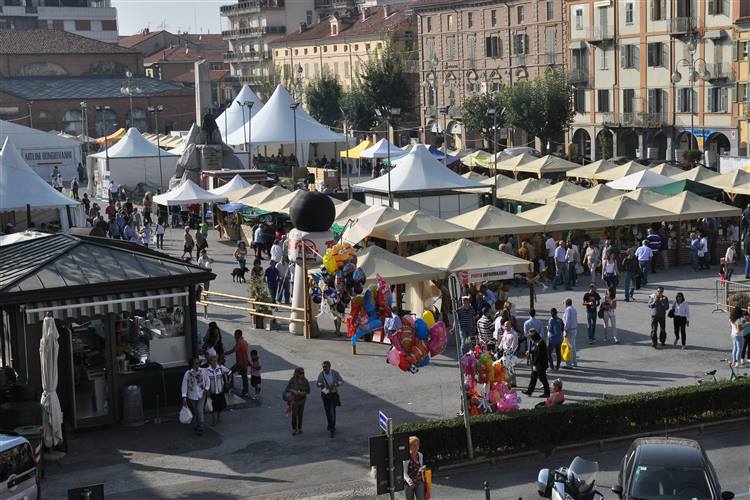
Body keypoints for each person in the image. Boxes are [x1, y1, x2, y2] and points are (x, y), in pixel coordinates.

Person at [181, 356, 209, 435]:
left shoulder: (203, 371)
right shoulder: (188, 374)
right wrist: (184, 397)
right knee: (196, 411)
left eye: (199, 363)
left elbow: (207, 380)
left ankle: (201, 427)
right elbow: (184, 385)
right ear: (192, 365)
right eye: (196, 363)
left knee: (200, 411)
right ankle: (198, 424)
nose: (198, 365)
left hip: (201, 394)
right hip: (192, 395)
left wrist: (206, 389)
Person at [316, 361, 344, 438]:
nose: (324, 368)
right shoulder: (321, 374)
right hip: (325, 395)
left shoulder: (335, 373)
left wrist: (335, 384)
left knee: (332, 412)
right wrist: (322, 384)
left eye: (326, 367)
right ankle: (329, 424)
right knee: (327, 412)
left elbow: (341, 381)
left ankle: (332, 428)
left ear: (329, 366)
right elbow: (317, 383)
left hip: (333, 395)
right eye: (323, 367)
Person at [205, 354, 231, 426]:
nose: (214, 363)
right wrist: (207, 391)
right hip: (212, 392)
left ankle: (219, 417)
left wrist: (227, 381)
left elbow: (229, 373)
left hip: (220, 390)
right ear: (210, 362)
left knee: (220, 406)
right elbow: (206, 381)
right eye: (213, 361)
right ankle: (214, 420)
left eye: (215, 361)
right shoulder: (207, 371)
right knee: (213, 407)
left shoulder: (220, 368)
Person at [525, 330, 550, 398]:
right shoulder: (537, 342)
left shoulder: (540, 343)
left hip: (540, 364)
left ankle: (547, 393)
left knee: (542, 379)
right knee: (533, 378)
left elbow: (539, 355)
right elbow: (535, 351)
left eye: (531, 338)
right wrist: (530, 352)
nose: (531, 339)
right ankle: (529, 391)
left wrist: (534, 365)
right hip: (537, 364)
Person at [285, 367, 310, 435]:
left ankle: (300, 428)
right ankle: (294, 429)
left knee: (300, 414)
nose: (302, 374)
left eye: (303, 373)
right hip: (294, 400)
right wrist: (293, 391)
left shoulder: (305, 381)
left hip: (302, 400)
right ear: (296, 373)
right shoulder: (292, 380)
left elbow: (308, 391)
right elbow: (287, 389)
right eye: (300, 373)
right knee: (294, 414)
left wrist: (302, 393)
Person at [225, 329, 249, 396]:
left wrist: (224, 354)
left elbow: (233, 350)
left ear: (238, 335)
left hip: (240, 363)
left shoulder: (240, 343)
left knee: (229, 372)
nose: (234, 337)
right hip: (245, 362)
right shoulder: (244, 341)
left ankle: (230, 387)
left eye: (235, 335)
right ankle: (245, 391)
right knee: (244, 377)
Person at [562, 298, 578, 368]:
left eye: (564, 303)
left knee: (568, 347)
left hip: (569, 330)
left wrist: (565, 329)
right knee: (573, 347)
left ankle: (569, 364)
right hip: (574, 329)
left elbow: (567, 320)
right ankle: (575, 362)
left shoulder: (568, 310)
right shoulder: (573, 309)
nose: (563, 305)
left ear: (566, 303)